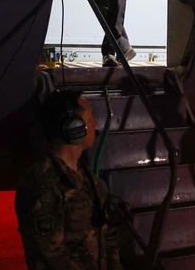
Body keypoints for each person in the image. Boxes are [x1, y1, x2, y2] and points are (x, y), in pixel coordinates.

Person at [15, 90, 122, 269]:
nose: (95, 123)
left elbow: (107, 238)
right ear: (74, 127)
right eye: (90, 118)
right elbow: (50, 256)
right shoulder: (43, 185)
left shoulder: (88, 179)